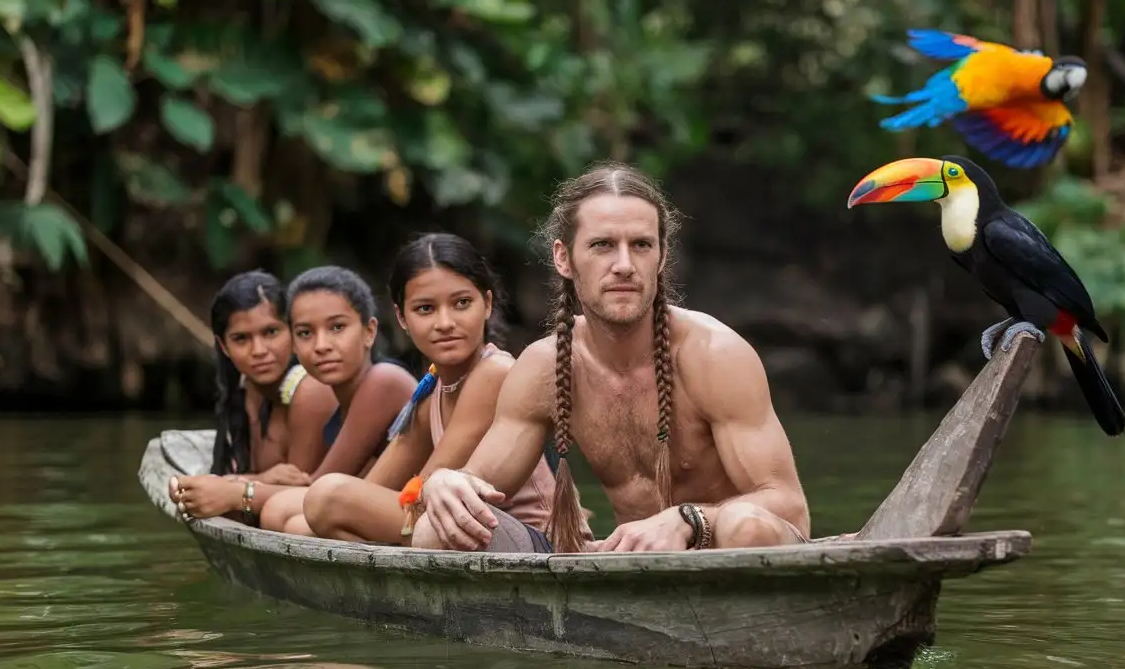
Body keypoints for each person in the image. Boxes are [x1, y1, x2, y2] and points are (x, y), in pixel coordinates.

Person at [412, 161, 811, 554]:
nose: (624, 265)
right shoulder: (546, 367)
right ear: (563, 258)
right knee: (435, 528)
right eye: (603, 246)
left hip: (726, 549)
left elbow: (790, 508)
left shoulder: (714, 355)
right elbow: (480, 484)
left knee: (746, 527)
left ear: (661, 255)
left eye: (641, 245)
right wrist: (445, 483)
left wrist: (691, 520)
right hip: (631, 565)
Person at [299, 233, 562, 548]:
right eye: (425, 309)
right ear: (401, 318)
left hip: (532, 541)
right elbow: (379, 487)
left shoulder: (494, 373)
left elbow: (423, 501)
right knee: (305, 513)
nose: (445, 322)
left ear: (487, 304)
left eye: (462, 303)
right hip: (453, 529)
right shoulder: (434, 386)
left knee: (325, 499)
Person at [167, 269, 339, 525]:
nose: (259, 351)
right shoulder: (243, 389)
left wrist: (235, 490)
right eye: (241, 339)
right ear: (224, 346)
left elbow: (304, 494)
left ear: (294, 332)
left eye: (271, 332)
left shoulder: (311, 389)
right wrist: (263, 479)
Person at [258, 265, 419, 534]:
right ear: (294, 344)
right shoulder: (340, 400)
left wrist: (239, 491)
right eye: (305, 333)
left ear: (369, 332)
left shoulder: (384, 382)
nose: (321, 345)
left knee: (290, 519)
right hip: (389, 515)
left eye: (337, 327)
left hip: (422, 515)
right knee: (285, 515)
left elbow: (317, 488)